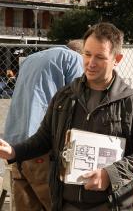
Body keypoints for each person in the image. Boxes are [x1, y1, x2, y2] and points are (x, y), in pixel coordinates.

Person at [0, 22, 133, 211]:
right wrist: (14, 152)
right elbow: (44, 138)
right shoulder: (64, 96)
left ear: (117, 59)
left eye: (100, 57)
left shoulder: (132, 102)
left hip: (111, 205)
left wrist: (110, 175)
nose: (91, 63)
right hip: (65, 204)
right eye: (87, 54)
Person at [4, 40, 84, 211]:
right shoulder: (74, 59)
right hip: (40, 145)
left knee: (25, 205)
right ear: (83, 53)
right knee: (55, 203)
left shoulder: (32, 58)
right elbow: (80, 100)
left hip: (16, 144)